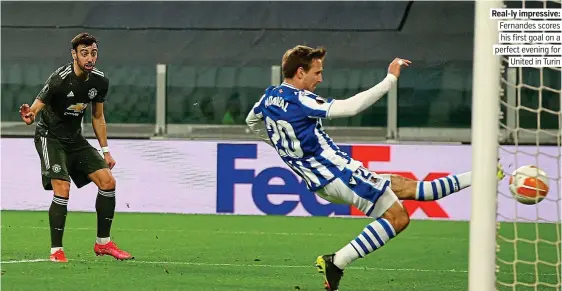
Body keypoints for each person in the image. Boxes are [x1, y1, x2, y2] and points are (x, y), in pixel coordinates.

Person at [245, 45, 505, 290]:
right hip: (340, 174)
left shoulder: (269, 96)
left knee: (408, 188)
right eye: (317, 72)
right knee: (399, 218)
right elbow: (351, 108)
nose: (320, 79)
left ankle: (482, 175)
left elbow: (252, 120)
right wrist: (390, 80)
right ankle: (337, 262)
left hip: (327, 179)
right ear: (300, 72)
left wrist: (279, 144)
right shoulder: (301, 99)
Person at [19, 32, 133, 263]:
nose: (90, 58)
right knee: (62, 187)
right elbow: (37, 105)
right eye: (84, 53)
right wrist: (30, 115)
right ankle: (56, 251)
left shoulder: (99, 81)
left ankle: (103, 244)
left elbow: (98, 117)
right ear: (74, 55)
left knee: (108, 181)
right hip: (50, 137)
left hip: (75, 139)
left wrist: (105, 150)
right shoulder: (59, 79)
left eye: (94, 53)